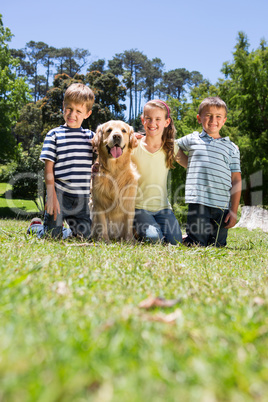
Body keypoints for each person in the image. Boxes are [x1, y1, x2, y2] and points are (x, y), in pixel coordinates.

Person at [176, 96, 242, 247]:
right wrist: (189, 164)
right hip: (198, 201)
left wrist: (233, 211)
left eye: (218, 116)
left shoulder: (232, 148)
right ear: (199, 118)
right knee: (197, 244)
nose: (213, 120)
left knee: (217, 245)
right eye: (208, 115)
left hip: (222, 206)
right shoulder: (192, 139)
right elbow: (171, 147)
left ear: (224, 120)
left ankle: (187, 236)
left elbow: (236, 180)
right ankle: (186, 237)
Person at [39, 83, 95, 239]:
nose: (72, 114)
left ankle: (69, 231)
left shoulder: (91, 137)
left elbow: (109, 147)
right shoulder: (54, 135)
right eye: (69, 109)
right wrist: (51, 196)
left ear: (87, 114)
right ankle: (36, 228)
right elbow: (48, 168)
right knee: (52, 236)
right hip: (59, 194)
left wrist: (135, 138)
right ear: (63, 106)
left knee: (86, 236)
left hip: (82, 198)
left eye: (78, 111)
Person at [132, 99, 187, 245]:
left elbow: (191, 165)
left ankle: (153, 230)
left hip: (163, 208)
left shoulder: (171, 147)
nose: (152, 123)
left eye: (158, 119)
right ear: (143, 120)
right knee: (155, 239)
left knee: (175, 242)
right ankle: (135, 229)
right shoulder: (134, 145)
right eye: (148, 118)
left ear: (166, 122)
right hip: (139, 208)